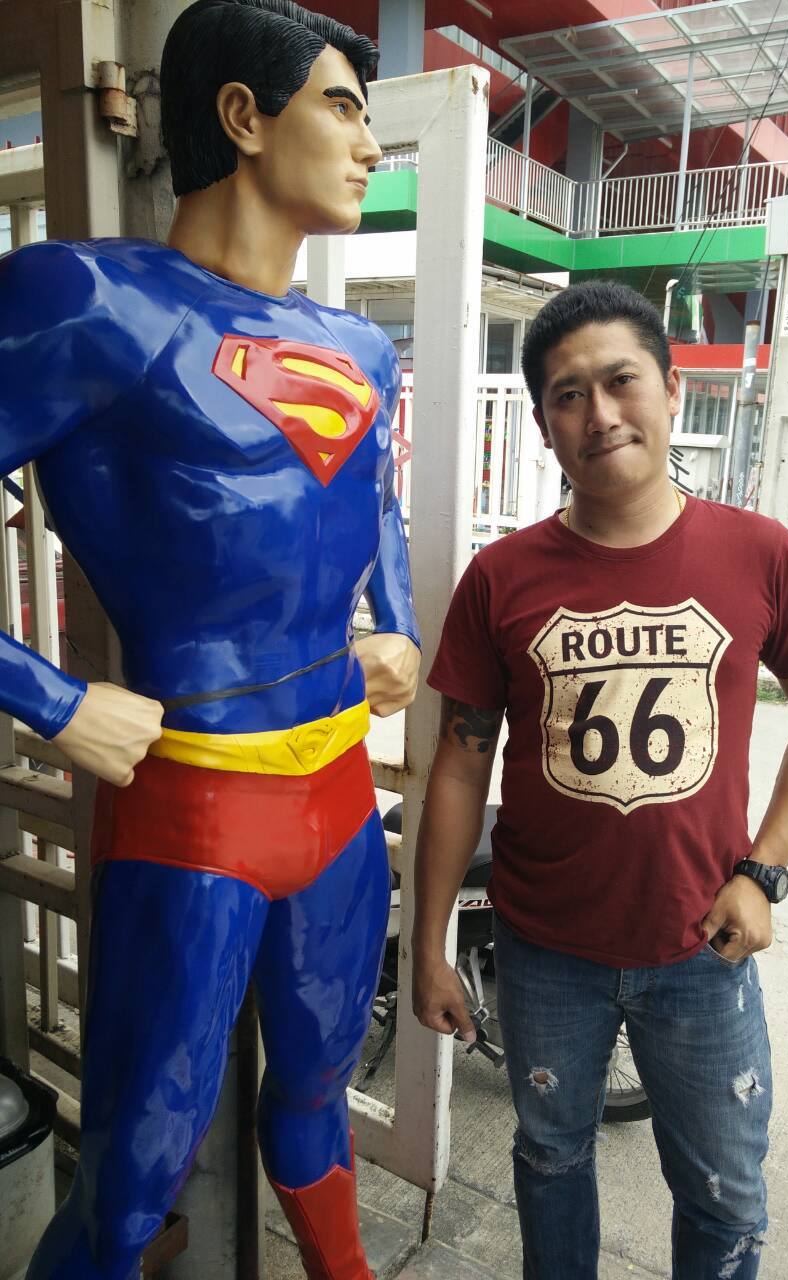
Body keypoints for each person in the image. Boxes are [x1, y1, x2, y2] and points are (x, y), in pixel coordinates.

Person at [0, 3, 419, 1277]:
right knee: (132, 1176)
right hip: (191, 805)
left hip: (339, 790)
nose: (369, 144)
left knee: (318, 1100)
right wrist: (51, 698)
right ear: (243, 116)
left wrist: (398, 627)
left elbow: (377, 502)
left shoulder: (359, 345)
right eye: (342, 106)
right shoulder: (87, 301)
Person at [412, 282, 788, 1280]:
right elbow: (459, 764)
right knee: (550, 1159)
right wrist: (431, 945)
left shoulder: (761, 554)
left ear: (670, 389)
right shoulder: (502, 578)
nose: (600, 413)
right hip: (541, 952)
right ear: (543, 426)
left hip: (703, 946)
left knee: (725, 1196)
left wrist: (763, 870)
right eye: (568, 395)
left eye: (621, 381)